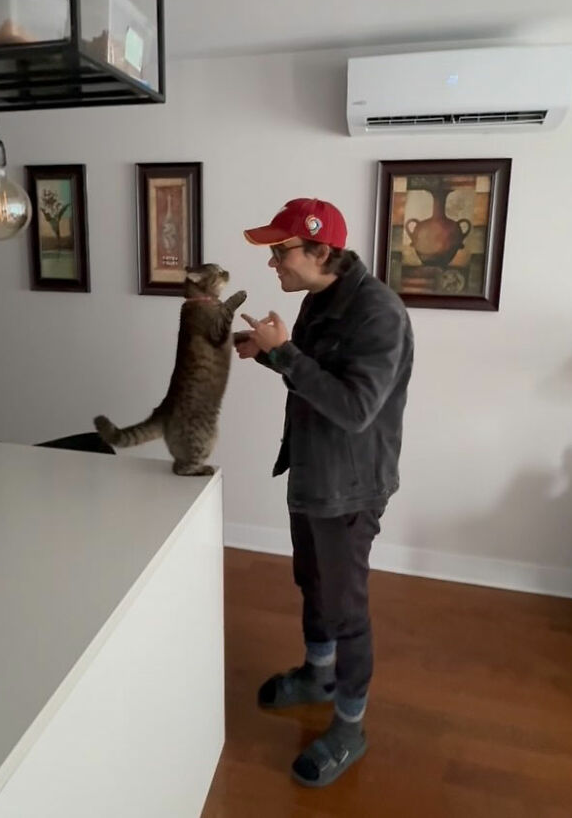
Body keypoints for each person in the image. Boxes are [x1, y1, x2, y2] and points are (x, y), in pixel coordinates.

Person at [234, 197, 414, 788]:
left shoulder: (378, 312)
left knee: (345, 607)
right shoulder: (317, 299)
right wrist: (269, 355)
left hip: (351, 486)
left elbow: (356, 408)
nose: (271, 262)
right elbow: (315, 374)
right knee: (310, 582)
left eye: (279, 250)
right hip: (313, 471)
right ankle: (318, 674)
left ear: (320, 250)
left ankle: (350, 724)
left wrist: (283, 353)